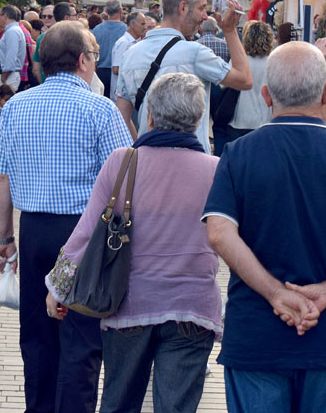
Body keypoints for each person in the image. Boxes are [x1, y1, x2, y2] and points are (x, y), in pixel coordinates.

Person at [203, 41, 326, 413]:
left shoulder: (237, 156)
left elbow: (219, 232)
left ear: (265, 95)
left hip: (257, 335)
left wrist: (277, 294)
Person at [44, 73, 222, 413]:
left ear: (150, 115)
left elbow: (85, 233)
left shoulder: (123, 162)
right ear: (198, 120)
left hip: (128, 305)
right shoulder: (216, 170)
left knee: (119, 403)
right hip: (192, 308)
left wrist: (58, 287)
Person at [0, 21, 132, 413]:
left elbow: (0, 178)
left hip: (34, 228)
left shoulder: (16, 106)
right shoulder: (100, 109)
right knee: (82, 334)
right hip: (84, 234)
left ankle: (38, 407)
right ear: (84, 61)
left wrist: (4, 239)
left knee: (36, 332)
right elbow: (125, 180)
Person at [116, 0, 252, 153]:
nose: (205, 16)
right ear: (183, 8)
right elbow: (245, 79)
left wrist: (140, 146)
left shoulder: (130, 54)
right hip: (193, 162)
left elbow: (121, 118)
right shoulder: (195, 53)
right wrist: (230, 30)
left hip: (147, 163)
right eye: (201, 8)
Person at [222, 20, 273, 146]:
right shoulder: (273, 62)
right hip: (266, 120)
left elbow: (224, 85)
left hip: (241, 119)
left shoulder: (240, 62)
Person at [91, 0, 128, 98]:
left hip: (100, 72)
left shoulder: (96, 30)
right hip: (118, 73)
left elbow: (92, 52)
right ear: (120, 11)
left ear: (106, 12)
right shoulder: (126, 30)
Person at [110, 11, 147, 101]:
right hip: (121, 96)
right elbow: (116, 69)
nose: (145, 27)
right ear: (133, 24)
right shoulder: (124, 43)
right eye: (142, 24)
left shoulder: (134, 42)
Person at [0, 5, 25, 91]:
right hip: (8, 75)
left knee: (3, 103)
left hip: (8, 76)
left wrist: (4, 77)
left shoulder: (12, 31)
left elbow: (11, 56)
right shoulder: (13, 30)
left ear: (5, 16)